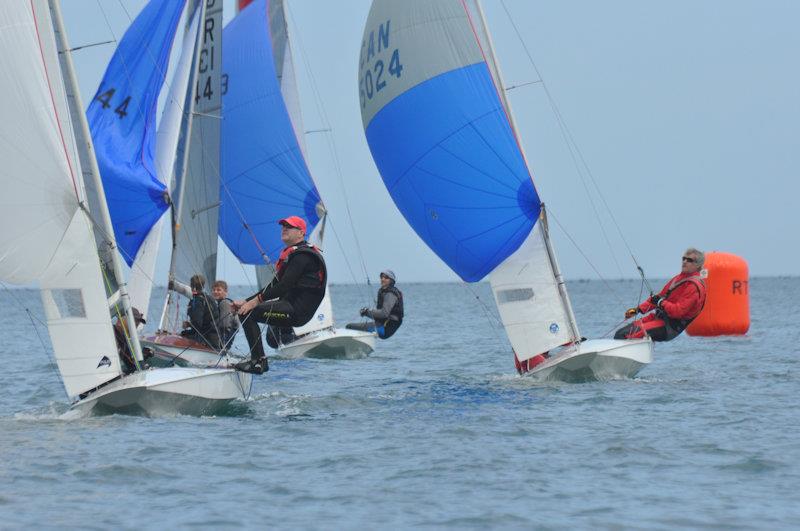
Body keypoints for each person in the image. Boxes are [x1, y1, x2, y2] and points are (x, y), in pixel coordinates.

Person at [232, 216, 327, 374]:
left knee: (249, 312)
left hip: (296, 312)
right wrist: (246, 301)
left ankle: (258, 362)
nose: (284, 228)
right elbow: (274, 284)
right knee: (246, 309)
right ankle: (258, 361)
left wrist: (254, 303)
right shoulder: (294, 255)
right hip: (289, 307)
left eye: (289, 227)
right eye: (283, 226)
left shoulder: (303, 256)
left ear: (301, 233)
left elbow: (283, 286)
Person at [614, 248, 707, 342]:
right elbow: (659, 297)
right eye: (684, 259)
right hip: (657, 318)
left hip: (669, 327)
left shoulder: (694, 287)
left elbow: (678, 312)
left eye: (689, 260)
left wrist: (660, 302)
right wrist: (637, 310)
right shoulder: (678, 278)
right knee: (619, 334)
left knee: (625, 335)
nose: (685, 262)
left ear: (698, 265)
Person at [346, 270, 403, 339]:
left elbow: (384, 314)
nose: (383, 279)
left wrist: (367, 312)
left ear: (391, 280)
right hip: (381, 326)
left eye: (386, 277)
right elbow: (380, 316)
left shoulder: (390, 294)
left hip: (383, 329)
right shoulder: (384, 292)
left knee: (349, 327)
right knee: (351, 327)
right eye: (381, 277)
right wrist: (365, 313)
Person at [168, 274, 221, 350]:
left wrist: (188, 324)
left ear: (191, 285)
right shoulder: (209, 298)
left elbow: (197, 323)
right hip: (214, 338)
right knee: (183, 334)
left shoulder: (198, 301)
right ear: (203, 285)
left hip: (206, 340)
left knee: (180, 337)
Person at [113, 307, 152, 374]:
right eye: (134, 320)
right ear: (122, 318)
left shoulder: (122, 338)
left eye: (138, 322)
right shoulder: (113, 333)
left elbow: (131, 365)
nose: (137, 325)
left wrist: (144, 355)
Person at [212, 280, 238, 349]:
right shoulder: (225, 302)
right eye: (214, 290)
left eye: (218, 290)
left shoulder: (224, 303)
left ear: (225, 292)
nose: (215, 292)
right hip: (226, 337)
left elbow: (224, 325)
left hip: (224, 338)